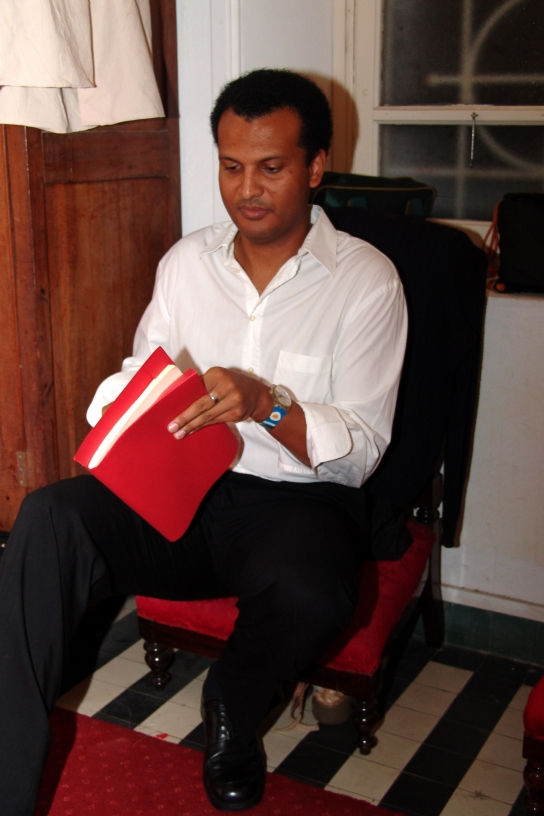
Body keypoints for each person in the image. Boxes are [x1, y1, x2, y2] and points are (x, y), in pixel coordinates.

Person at [0, 68, 407, 814]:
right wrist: (130, 405)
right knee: (50, 517)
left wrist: (267, 405)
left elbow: (360, 454)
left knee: (313, 588)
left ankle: (235, 703)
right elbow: (137, 376)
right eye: (231, 166)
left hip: (297, 505)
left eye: (271, 167)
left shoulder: (366, 281)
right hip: (183, 493)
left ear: (316, 166)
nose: (247, 190)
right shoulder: (187, 264)